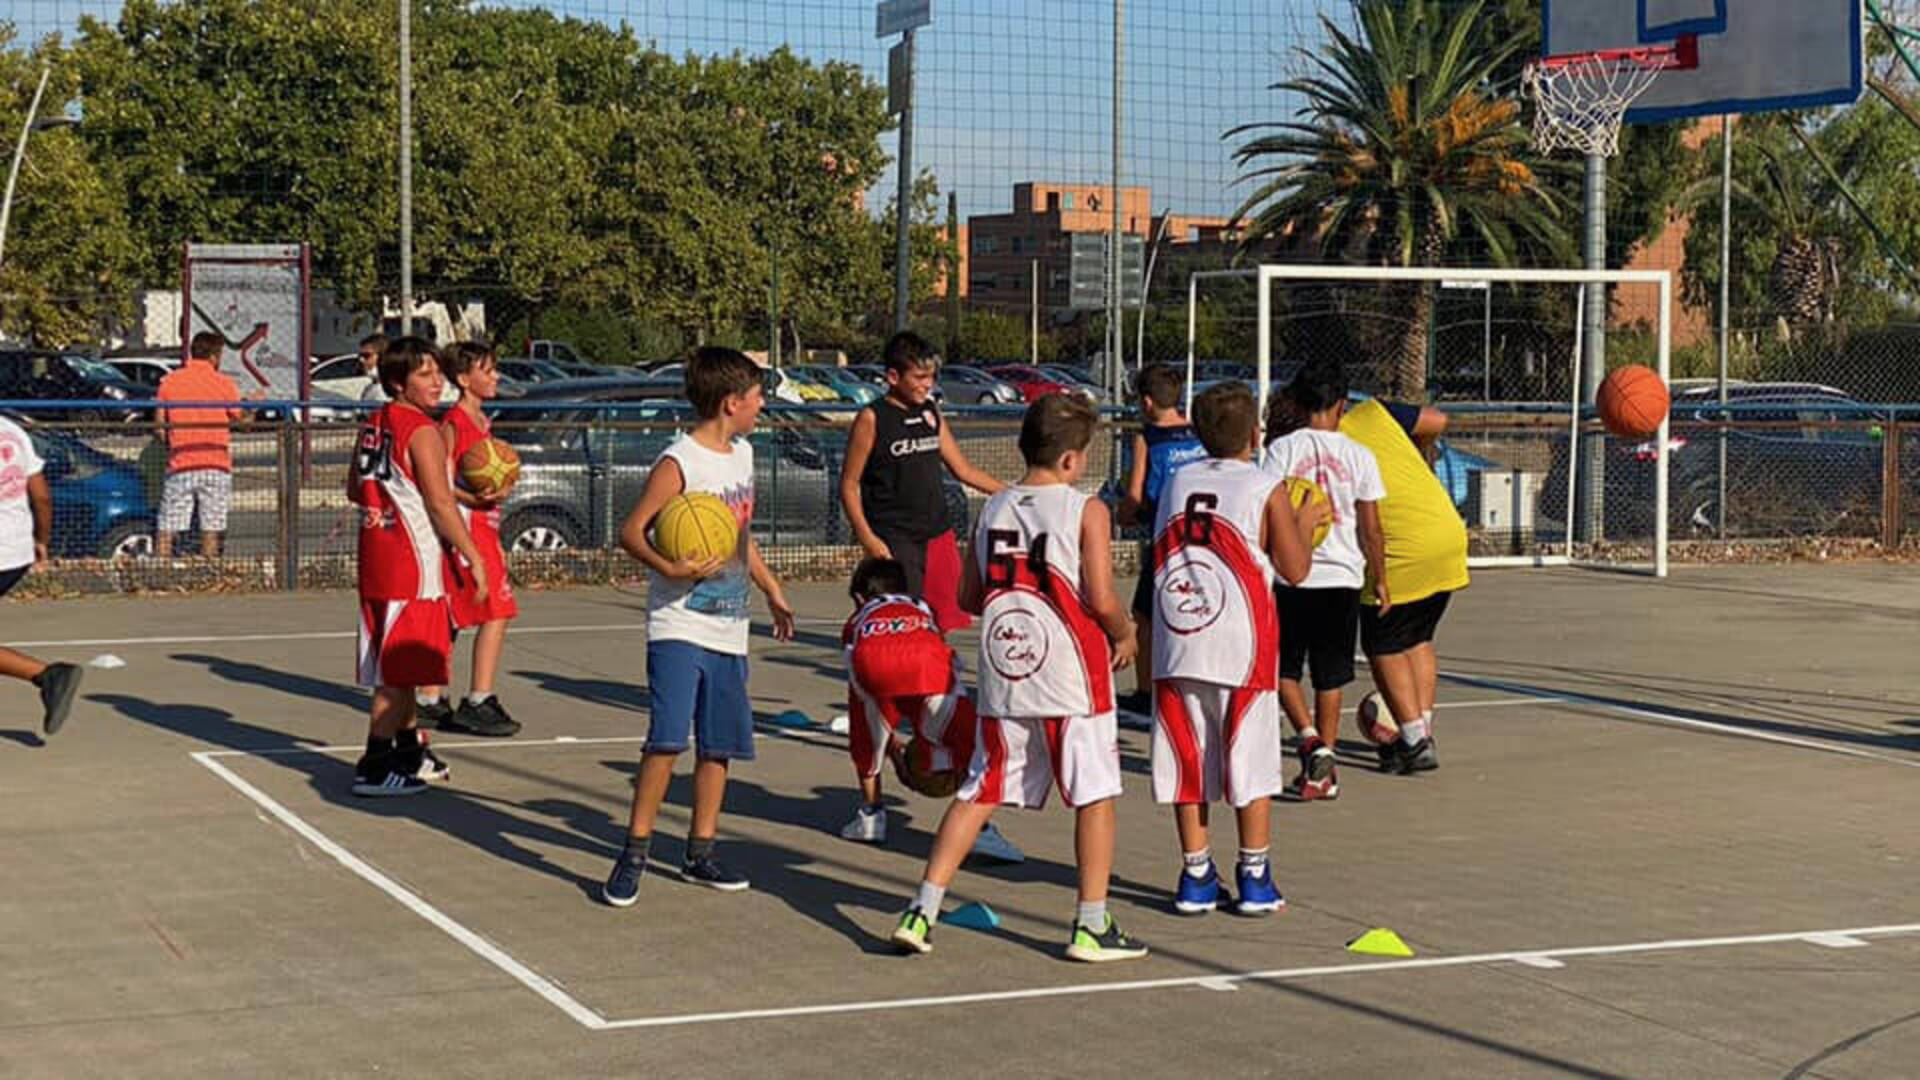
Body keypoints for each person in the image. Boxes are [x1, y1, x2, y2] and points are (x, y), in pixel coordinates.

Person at [889, 393, 1147, 964]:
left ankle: (922, 908)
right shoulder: (1086, 511)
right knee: (1095, 793)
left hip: (1008, 666)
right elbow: (1100, 596)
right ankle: (1091, 923)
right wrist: (1126, 633)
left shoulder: (994, 508)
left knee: (979, 789)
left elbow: (968, 595)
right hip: (1071, 670)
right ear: (1073, 461)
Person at [602, 347, 797, 906]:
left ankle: (699, 853)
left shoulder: (744, 456)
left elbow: (739, 534)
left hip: (729, 623)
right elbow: (632, 531)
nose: (762, 405)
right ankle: (634, 851)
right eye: (758, 396)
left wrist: (770, 587)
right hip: (679, 622)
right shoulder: (678, 462)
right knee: (666, 739)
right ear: (732, 402)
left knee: (718, 747)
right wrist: (670, 567)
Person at [1150, 381, 1321, 916]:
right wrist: (1304, 524)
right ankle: (1254, 875)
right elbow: (1295, 569)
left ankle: (1196, 873)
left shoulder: (1178, 480)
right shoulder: (1264, 486)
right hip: (1241, 642)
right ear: (1255, 433)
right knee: (1249, 762)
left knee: (1187, 760)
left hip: (1180, 636)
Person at [347, 337, 491, 797]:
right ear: (397, 382)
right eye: (424, 375)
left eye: (436, 372)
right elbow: (441, 504)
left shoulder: (373, 423)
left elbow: (354, 488)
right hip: (412, 563)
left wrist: (385, 504)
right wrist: (474, 554)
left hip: (377, 556)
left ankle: (409, 751)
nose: (437, 382)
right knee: (398, 673)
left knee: (403, 667)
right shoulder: (422, 431)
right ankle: (374, 762)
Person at [837, 556, 1024, 863]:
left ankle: (871, 815)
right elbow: (926, 654)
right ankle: (980, 827)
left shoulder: (858, 619)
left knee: (865, 733)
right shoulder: (922, 608)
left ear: (860, 597)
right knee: (969, 744)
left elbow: (886, 683)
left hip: (873, 662)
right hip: (929, 663)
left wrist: (894, 751)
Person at [1259, 362, 1388, 801]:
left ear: (1296, 403)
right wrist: (1381, 576)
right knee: (1330, 676)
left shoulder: (1281, 451)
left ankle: (1309, 739)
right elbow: (1371, 527)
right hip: (1344, 575)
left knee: (1282, 669)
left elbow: (1266, 509)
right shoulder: (1360, 454)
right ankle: (1323, 763)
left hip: (1290, 574)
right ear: (1342, 406)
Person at [1338, 393, 1466, 774]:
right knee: (1417, 638)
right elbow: (1437, 420)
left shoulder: (1323, 445)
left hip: (1401, 548)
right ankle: (1420, 731)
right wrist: (1419, 454)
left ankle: (1412, 740)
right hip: (1445, 531)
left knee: (1382, 643)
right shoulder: (1375, 413)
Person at [840, 331, 1002, 632]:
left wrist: (1014, 492)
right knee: (900, 621)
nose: (927, 384)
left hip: (937, 532)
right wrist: (868, 538)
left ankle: (936, 670)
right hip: (895, 537)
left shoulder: (930, 411)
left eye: (932, 377)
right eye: (919, 377)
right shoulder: (872, 418)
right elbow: (849, 485)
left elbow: (962, 469)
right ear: (892, 376)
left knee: (941, 620)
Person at [414, 342, 520, 738]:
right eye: (487, 370)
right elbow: (437, 482)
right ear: (463, 379)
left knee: (455, 616)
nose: (494, 376)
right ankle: (478, 699)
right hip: (468, 529)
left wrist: (501, 482)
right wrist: (470, 497)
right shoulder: (455, 423)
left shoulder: (480, 419)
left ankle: (428, 695)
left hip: (483, 523)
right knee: (497, 612)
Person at [1115, 363, 1206, 718]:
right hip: (1199, 537)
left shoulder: (1147, 438)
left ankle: (1145, 692)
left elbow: (1136, 492)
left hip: (1164, 537)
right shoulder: (1199, 433)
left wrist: (1124, 513)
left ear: (1147, 402)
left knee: (1144, 615)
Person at [0, 414, 81, 735]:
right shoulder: (12, 430)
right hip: (16, 552)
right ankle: (47, 676)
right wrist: (41, 541)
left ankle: (48, 675)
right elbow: (42, 497)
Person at [155, 331, 249, 558]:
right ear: (215, 356)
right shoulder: (224, 384)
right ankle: (208, 570)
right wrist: (253, 406)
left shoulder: (169, 382)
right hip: (215, 463)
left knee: (168, 525)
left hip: (182, 463)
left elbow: (159, 427)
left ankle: (159, 569)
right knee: (211, 527)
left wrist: (174, 443)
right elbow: (242, 421)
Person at [357, 334, 390, 402]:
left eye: (366, 355)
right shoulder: (370, 387)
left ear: (382, 357)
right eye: (360, 356)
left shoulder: (388, 391)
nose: (361, 360)